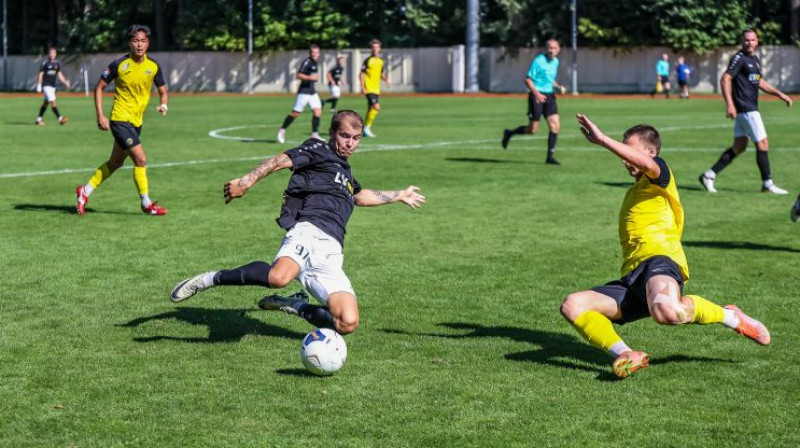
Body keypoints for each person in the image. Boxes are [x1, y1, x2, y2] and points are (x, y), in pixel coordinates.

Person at [170, 110, 426, 336]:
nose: (350, 144)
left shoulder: (346, 174)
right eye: (345, 136)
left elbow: (360, 196)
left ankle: (294, 305)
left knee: (347, 322)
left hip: (332, 250)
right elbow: (280, 160)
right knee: (279, 277)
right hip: (308, 230)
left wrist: (399, 195)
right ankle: (208, 279)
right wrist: (246, 182)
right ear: (333, 133)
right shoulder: (318, 150)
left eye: (356, 138)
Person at [560, 113, 771, 378]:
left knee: (667, 313)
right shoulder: (634, 191)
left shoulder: (660, 175)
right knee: (572, 305)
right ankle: (626, 354)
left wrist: (603, 140)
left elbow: (648, 164)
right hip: (633, 278)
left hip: (660, 263)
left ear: (650, 152)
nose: (625, 159)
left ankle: (730, 317)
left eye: (630, 151)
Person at [74, 24, 169, 216]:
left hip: (136, 122)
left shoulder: (153, 67)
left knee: (115, 163)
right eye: (135, 41)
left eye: (143, 41)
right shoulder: (119, 64)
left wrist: (164, 105)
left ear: (148, 43)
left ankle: (84, 192)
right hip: (120, 119)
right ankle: (146, 203)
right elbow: (99, 87)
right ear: (129, 43)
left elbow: (163, 91)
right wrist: (100, 115)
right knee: (140, 159)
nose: (139, 45)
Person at [699, 29, 793, 195]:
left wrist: (780, 94)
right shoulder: (739, 58)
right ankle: (767, 183)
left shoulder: (754, 60)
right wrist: (730, 104)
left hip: (747, 110)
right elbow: (725, 78)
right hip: (746, 109)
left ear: (757, 41)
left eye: (753, 40)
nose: (750, 42)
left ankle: (709, 175)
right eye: (747, 40)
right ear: (742, 42)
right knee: (763, 144)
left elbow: (759, 82)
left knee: (739, 147)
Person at [501, 39, 566, 165]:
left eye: (554, 48)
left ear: (558, 50)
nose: (551, 50)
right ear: (546, 48)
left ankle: (550, 157)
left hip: (550, 96)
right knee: (533, 129)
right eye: (549, 48)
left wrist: (558, 87)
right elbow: (528, 80)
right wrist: (537, 94)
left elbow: (549, 79)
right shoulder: (539, 61)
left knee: (555, 126)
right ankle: (509, 133)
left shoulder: (556, 62)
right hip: (536, 95)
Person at [277, 45, 323, 144]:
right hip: (304, 91)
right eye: (313, 52)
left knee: (317, 112)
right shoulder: (307, 62)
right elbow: (298, 75)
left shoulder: (315, 62)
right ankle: (282, 129)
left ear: (319, 53)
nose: (315, 54)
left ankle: (315, 134)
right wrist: (311, 78)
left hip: (312, 91)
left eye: (317, 52)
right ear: (310, 53)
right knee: (295, 113)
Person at [360, 39, 390, 138]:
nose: (375, 49)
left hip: (376, 89)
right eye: (373, 48)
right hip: (369, 89)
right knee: (376, 107)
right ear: (371, 49)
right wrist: (363, 87)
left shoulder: (381, 61)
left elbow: (380, 74)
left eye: (377, 47)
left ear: (379, 48)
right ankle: (367, 128)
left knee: (371, 109)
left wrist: (386, 80)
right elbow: (361, 74)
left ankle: (365, 129)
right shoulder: (368, 60)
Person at [35, 47, 71, 126]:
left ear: (55, 54)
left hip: (52, 86)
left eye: (53, 53)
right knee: (53, 102)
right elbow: (41, 74)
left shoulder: (57, 64)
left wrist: (65, 82)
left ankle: (38, 119)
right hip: (46, 85)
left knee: (45, 103)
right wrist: (39, 84)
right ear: (48, 54)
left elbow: (59, 75)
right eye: (50, 53)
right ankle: (60, 118)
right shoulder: (45, 63)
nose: (52, 54)